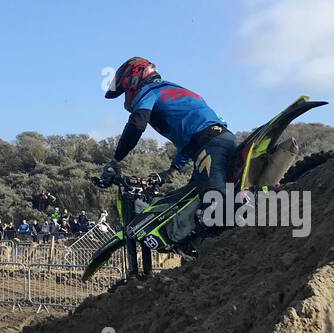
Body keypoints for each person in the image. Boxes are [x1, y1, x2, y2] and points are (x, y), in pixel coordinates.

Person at [101, 56, 236, 241]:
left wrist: (116, 160)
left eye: (125, 91)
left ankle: (229, 251)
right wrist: (171, 172)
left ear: (135, 78)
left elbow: (137, 125)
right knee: (192, 199)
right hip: (217, 140)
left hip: (209, 144)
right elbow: (192, 136)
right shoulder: (176, 90)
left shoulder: (150, 91)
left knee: (215, 203)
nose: (127, 96)